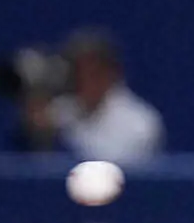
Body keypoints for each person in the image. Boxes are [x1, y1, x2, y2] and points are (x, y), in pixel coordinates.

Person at [27, 28, 165, 163]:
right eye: (77, 73)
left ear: (111, 73)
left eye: (93, 73)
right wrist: (39, 132)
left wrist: (65, 142)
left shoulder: (140, 123)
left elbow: (110, 169)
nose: (84, 80)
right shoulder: (61, 110)